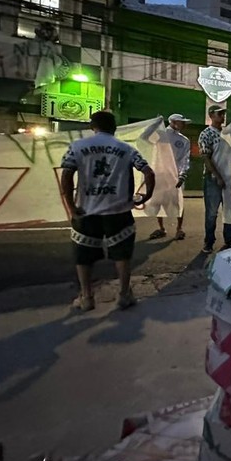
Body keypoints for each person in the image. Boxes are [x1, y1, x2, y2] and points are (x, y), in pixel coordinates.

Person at [60, 110, 155, 311]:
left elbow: (67, 176)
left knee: (84, 256)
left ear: (92, 127)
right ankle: (123, 295)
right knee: (122, 255)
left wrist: (71, 206)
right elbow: (148, 171)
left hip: (87, 212)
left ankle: (86, 297)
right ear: (113, 128)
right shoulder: (126, 149)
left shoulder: (77, 147)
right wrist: (146, 196)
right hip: (119, 212)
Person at [200, 105, 231, 253]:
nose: (223, 117)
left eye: (223, 114)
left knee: (229, 211)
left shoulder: (227, 134)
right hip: (213, 179)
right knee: (212, 213)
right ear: (211, 115)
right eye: (219, 114)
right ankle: (209, 242)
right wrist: (217, 176)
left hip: (229, 177)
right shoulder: (206, 134)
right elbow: (206, 158)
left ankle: (230, 239)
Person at [149, 113, 191, 241]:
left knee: (178, 201)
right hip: (160, 173)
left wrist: (183, 173)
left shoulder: (184, 140)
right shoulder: (159, 135)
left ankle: (179, 228)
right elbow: (144, 138)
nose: (183, 124)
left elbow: (185, 159)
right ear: (173, 121)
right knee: (159, 200)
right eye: (181, 122)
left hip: (176, 174)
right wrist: (155, 124)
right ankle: (161, 228)